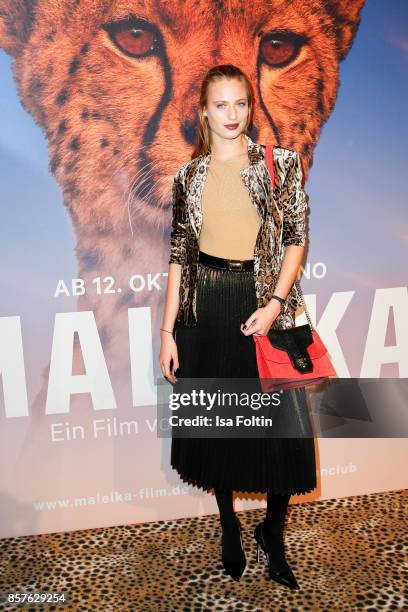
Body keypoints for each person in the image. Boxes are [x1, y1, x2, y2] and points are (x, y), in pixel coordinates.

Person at [160, 64, 317, 589]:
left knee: (282, 436)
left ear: (252, 107)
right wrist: (166, 332)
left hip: (262, 305)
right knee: (218, 427)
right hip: (205, 309)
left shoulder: (280, 165)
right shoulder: (189, 177)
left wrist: (274, 304)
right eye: (220, 105)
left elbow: (296, 238)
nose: (231, 115)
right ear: (203, 111)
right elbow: (179, 257)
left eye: (240, 104)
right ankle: (229, 524)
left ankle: (272, 530)